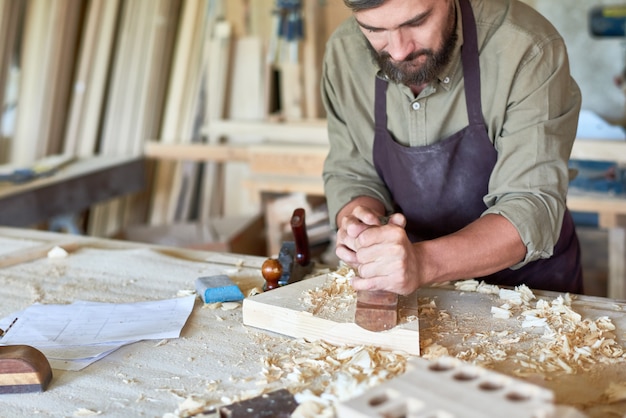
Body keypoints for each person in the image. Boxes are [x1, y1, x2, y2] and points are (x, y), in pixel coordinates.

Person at [321, 0, 583, 295]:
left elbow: (530, 205)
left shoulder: (526, 47)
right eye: (374, 29)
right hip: (412, 289)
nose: (398, 50)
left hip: (529, 288)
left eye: (416, 22)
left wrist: (421, 262)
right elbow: (353, 174)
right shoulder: (343, 53)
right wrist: (360, 224)